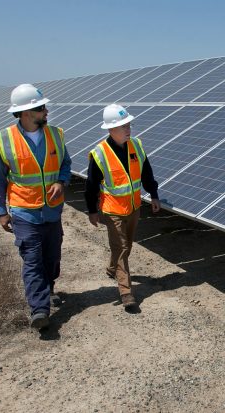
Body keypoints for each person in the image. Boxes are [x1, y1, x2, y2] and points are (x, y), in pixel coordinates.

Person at [0, 84, 71, 331]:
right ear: (25, 113)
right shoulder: (3, 140)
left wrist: (60, 181)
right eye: (40, 108)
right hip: (24, 212)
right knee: (32, 260)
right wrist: (1, 211)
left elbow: (65, 163)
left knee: (52, 257)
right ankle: (39, 310)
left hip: (52, 211)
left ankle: (49, 286)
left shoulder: (56, 135)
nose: (46, 111)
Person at [85, 104, 160, 310]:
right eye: (122, 126)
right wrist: (92, 210)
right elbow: (91, 186)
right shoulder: (100, 154)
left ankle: (112, 268)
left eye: (128, 124)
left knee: (127, 246)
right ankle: (126, 292)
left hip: (134, 207)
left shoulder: (136, 146)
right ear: (110, 129)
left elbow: (147, 173)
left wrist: (153, 194)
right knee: (121, 248)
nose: (128, 129)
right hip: (112, 210)